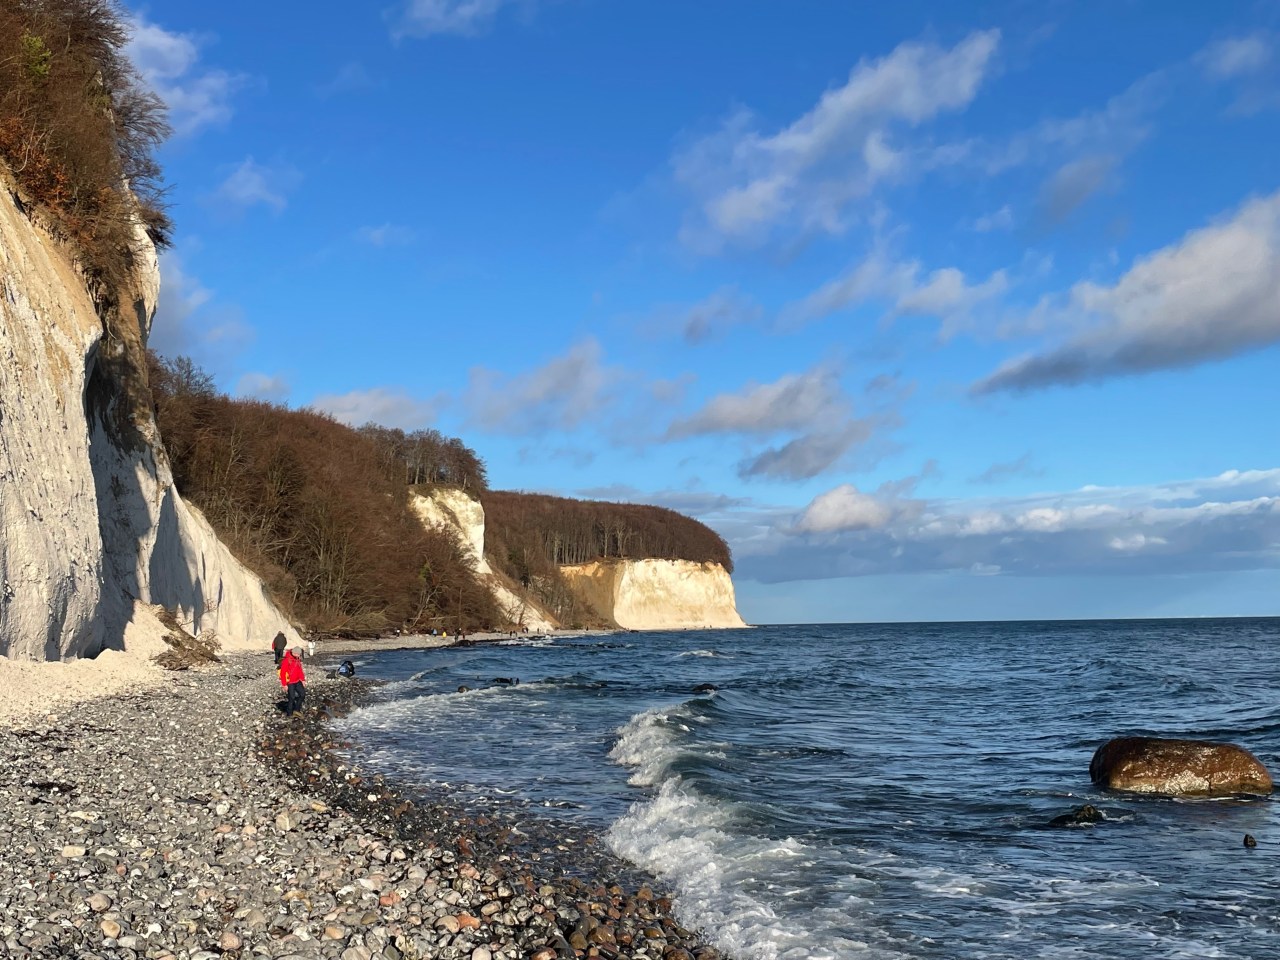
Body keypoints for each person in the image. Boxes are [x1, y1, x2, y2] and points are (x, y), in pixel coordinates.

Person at [279, 646, 306, 716]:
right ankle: (289, 713)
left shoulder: (297, 659)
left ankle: (296, 710)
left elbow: (300, 670)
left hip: (297, 681)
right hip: (290, 682)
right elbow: (282, 673)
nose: (299, 656)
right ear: (294, 653)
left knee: (302, 694)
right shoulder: (286, 660)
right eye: (298, 654)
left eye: (299, 654)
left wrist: (302, 680)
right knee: (292, 698)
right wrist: (284, 684)